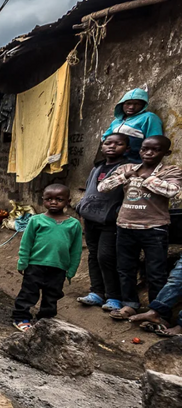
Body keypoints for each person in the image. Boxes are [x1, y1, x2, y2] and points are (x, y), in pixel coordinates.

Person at [98, 135, 182, 324]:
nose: (149, 153)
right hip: (125, 226)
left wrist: (149, 179)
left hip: (155, 228)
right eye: (145, 149)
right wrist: (124, 176)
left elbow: (172, 191)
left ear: (166, 153)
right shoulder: (127, 169)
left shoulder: (171, 171)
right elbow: (103, 187)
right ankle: (129, 304)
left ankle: (158, 312)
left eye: (156, 150)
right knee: (125, 269)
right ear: (140, 150)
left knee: (156, 272)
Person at [13, 184, 82, 332]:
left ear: (68, 201)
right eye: (49, 199)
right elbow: (26, 243)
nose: (53, 202)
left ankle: (45, 320)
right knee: (28, 293)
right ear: (43, 200)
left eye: (59, 199)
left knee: (52, 295)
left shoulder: (74, 224)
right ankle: (21, 317)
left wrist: (71, 270)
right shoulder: (36, 220)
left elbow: (76, 250)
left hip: (59, 267)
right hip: (35, 265)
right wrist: (23, 262)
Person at [75, 133, 129, 311]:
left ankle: (114, 296)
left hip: (109, 221)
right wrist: (81, 206)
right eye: (108, 143)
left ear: (127, 149)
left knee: (106, 257)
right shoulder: (97, 168)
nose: (112, 146)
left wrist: (117, 212)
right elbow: (90, 189)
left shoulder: (127, 169)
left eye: (118, 144)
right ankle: (96, 292)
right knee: (93, 255)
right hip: (91, 218)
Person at [103, 87, 162, 163]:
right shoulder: (116, 121)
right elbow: (105, 137)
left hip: (134, 161)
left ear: (143, 105)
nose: (131, 107)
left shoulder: (149, 117)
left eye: (137, 104)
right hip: (113, 161)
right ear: (122, 104)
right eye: (128, 103)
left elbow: (155, 141)